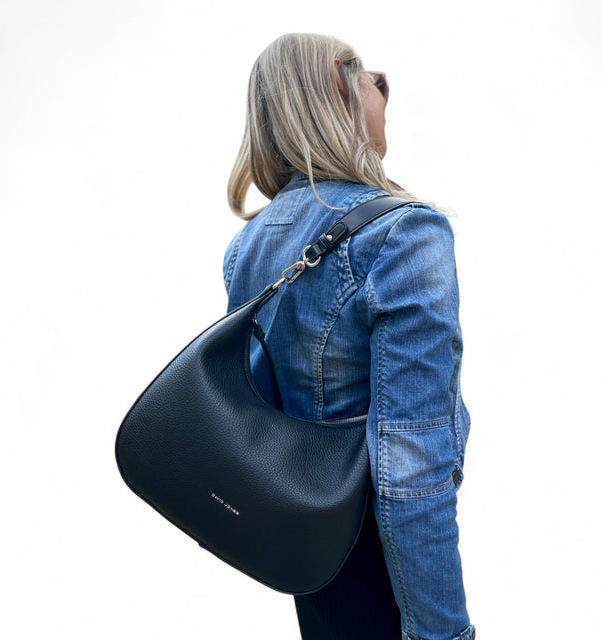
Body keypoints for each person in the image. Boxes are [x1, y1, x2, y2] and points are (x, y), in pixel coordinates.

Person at [223, 33, 475, 640]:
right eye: (375, 81)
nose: (385, 94)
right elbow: (410, 471)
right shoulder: (405, 234)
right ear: (339, 87)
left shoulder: (247, 247)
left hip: (315, 571)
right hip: (390, 578)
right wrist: (443, 632)